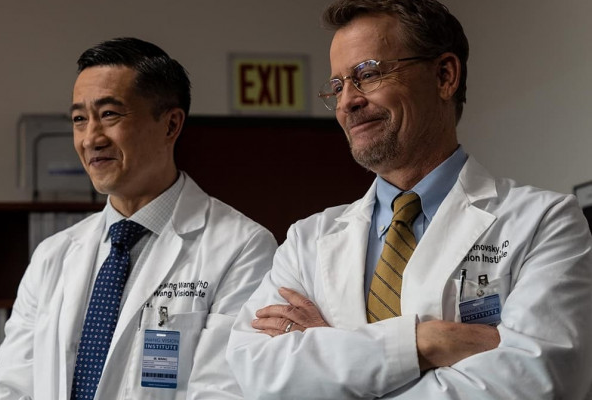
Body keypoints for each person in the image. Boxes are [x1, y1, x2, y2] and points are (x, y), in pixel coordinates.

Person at [226, 1, 592, 398]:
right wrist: (424, 343)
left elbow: (535, 382)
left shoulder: (545, 222)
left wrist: (331, 356)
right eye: (338, 86)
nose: (347, 102)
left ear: (444, 76)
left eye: (368, 74)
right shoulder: (306, 242)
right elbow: (257, 373)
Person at [0, 37, 277, 400]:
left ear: (171, 125)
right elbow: (11, 388)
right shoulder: (52, 256)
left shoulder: (242, 247)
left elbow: (223, 391)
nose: (91, 139)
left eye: (109, 114)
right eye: (79, 119)